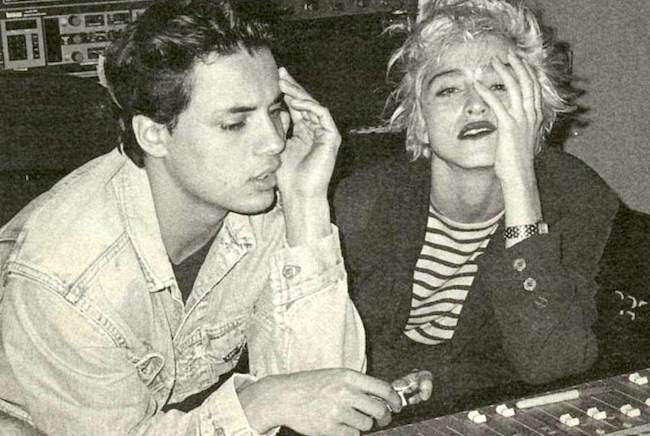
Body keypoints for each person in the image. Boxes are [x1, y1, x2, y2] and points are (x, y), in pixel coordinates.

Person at [0, 1, 421, 434]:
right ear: (154, 134)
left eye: (276, 110)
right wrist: (259, 405)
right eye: (235, 124)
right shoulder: (65, 274)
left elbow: (326, 397)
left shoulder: (262, 200)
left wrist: (305, 204)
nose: (275, 142)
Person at [334, 0, 620, 418]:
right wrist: (409, 377)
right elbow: (334, 352)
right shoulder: (362, 203)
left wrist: (520, 186)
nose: (476, 104)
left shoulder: (579, 197)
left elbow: (553, 362)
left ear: (536, 107)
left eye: (499, 85)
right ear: (419, 122)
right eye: (448, 89)